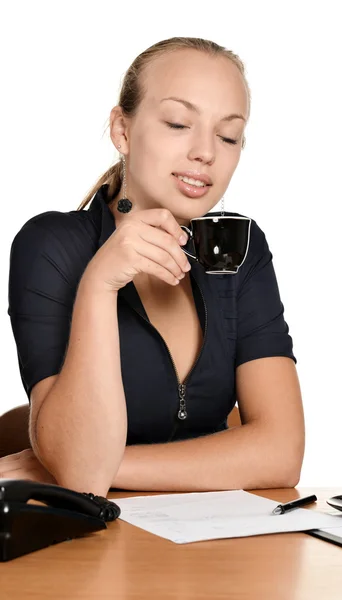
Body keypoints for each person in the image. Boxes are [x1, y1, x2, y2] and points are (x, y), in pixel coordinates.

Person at [2, 37, 305, 496]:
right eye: (179, 123)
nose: (206, 152)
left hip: (200, 546)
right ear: (122, 131)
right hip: (80, 547)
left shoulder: (237, 248)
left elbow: (281, 454)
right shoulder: (52, 245)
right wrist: (100, 284)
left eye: (228, 135)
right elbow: (83, 475)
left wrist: (93, 465)